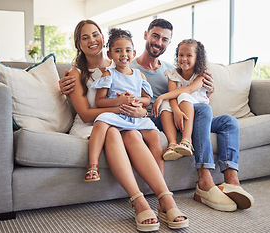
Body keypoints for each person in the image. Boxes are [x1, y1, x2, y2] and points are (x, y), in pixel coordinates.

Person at [60, 19, 254, 212]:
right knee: (193, 113)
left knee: (225, 120)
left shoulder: (167, 69)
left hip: (169, 112)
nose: (159, 42)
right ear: (145, 35)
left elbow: (176, 93)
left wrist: (207, 91)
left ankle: (231, 182)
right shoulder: (125, 64)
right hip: (144, 117)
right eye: (155, 36)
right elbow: (101, 99)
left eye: (164, 39)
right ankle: (200, 181)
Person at [64, 19, 189, 232]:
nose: (91, 40)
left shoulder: (120, 65)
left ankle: (165, 199)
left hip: (124, 119)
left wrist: (139, 111)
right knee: (113, 131)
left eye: (95, 34)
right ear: (78, 43)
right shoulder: (76, 73)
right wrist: (121, 108)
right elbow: (85, 115)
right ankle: (138, 201)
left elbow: (143, 100)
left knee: (132, 135)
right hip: (93, 123)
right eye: (85, 37)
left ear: (103, 39)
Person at [86, 28, 161, 182]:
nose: (123, 55)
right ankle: (93, 165)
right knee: (100, 122)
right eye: (118, 51)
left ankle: (159, 177)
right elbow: (100, 101)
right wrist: (119, 101)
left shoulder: (138, 75)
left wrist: (137, 100)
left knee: (155, 135)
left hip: (136, 115)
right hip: (116, 115)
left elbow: (147, 99)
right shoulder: (109, 74)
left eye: (128, 50)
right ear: (110, 54)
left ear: (134, 53)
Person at [151, 39, 208, 161]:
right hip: (179, 106)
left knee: (182, 96)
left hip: (198, 107)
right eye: (181, 55)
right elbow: (172, 95)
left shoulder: (201, 75)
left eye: (189, 55)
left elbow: (188, 90)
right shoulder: (173, 74)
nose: (184, 58)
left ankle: (186, 141)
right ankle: (172, 145)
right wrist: (176, 110)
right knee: (166, 103)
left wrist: (161, 97)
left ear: (197, 58)